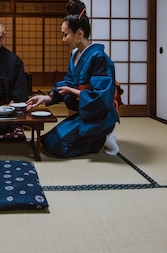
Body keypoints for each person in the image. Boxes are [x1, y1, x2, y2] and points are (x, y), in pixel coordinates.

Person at [26, 10, 120, 158]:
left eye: (65, 34)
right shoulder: (75, 56)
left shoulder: (99, 57)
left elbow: (101, 96)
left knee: (59, 148)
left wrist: (72, 91)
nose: (63, 39)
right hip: (85, 114)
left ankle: (103, 137)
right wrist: (47, 98)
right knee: (47, 140)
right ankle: (96, 137)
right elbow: (67, 83)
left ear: (79, 34)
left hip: (100, 116)